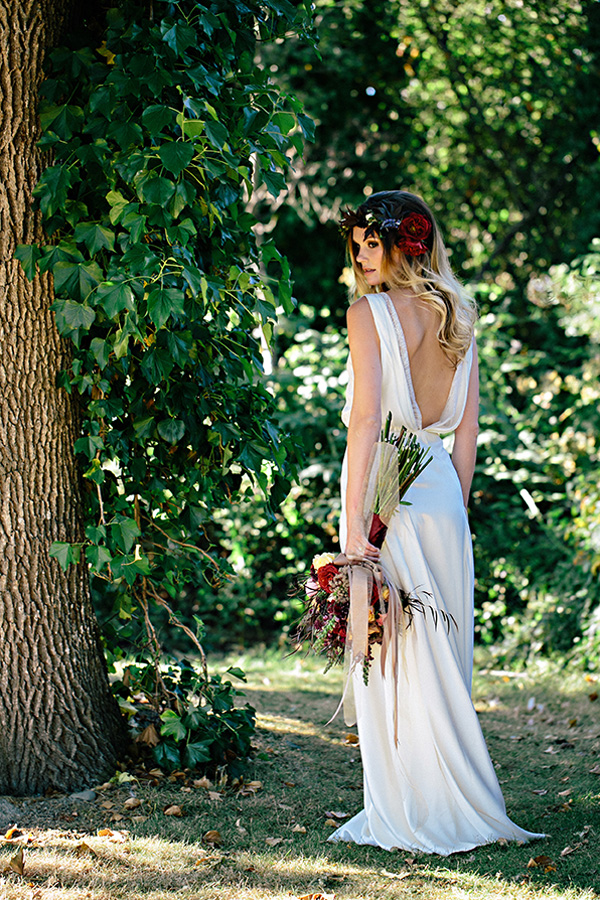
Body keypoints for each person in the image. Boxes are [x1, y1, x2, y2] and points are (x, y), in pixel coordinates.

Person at [328, 190, 544, 855]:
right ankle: (455, 797)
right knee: (438, 652)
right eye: (358, 244)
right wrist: (455, 503)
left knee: (392, 651)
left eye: (372, 241)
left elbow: (367, 422)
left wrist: (352, 523)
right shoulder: (460, 313)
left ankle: (415, 806)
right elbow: (467, 429)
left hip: (391, 485)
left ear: (403, 243)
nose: (363, 255)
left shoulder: (367, 314)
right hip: (442, 490)